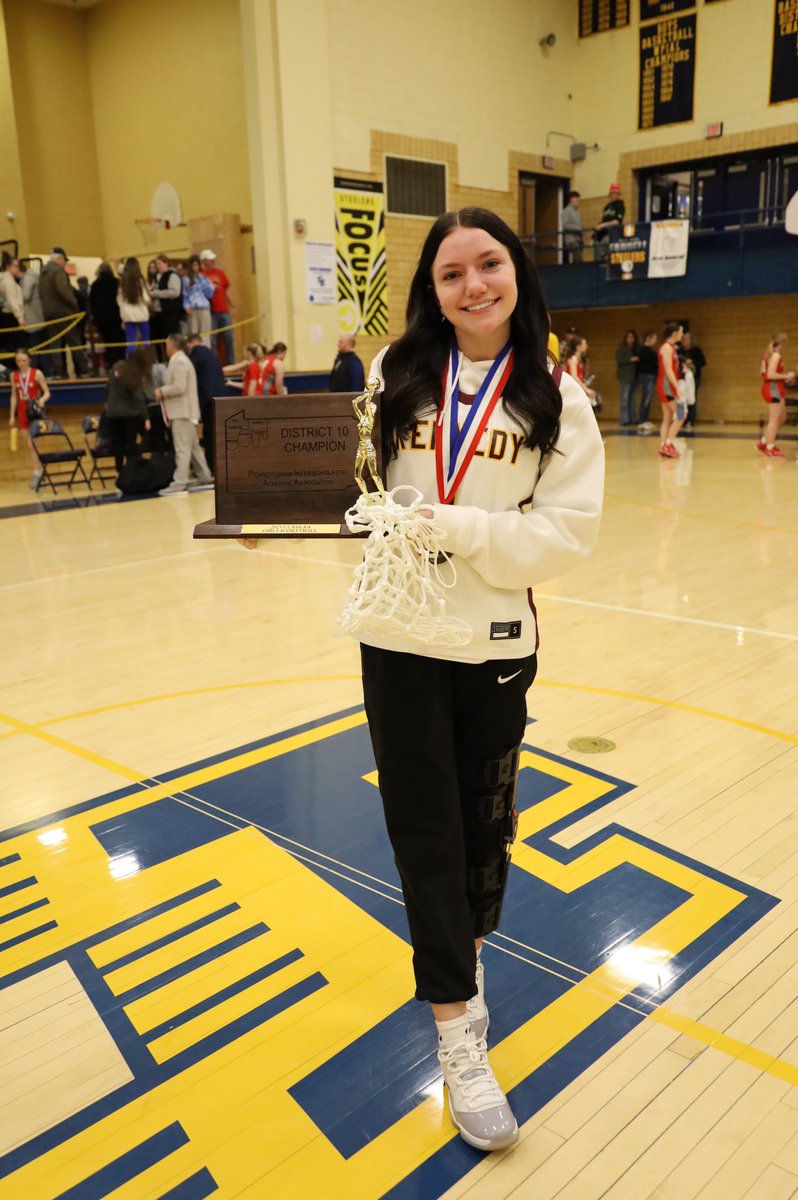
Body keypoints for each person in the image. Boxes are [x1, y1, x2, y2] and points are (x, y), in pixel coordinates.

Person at [240, 208, 604, 1152]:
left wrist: (456, 526)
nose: (473, 285)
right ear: (431, 291)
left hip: (491, 642)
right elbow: (348, 487)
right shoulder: (395, 377)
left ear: (517, 274)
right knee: (425, 830)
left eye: (489, 264)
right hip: (398, 636)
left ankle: (462, 968)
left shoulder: (559, 399)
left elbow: (565, 536)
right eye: (452, 273)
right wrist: (274, 513)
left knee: (484, 830)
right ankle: (459, 1032)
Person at [155, 332, 214, 494]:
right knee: (193, 446)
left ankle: (179, 483)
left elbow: (180, 386)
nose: (166, 348)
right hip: (187, 411)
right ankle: (205, 476)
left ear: (172, 346)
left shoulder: (178, 361)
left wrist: (162, 391)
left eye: (167, 345)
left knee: (182, 448)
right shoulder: (182, 360)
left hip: (182, 412)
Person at [37, 248, 90, 377]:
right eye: (64, 261)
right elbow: (63, 291)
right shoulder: (58, 271)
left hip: (49, 313)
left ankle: (59, 372)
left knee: (55, 345)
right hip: (64, 312)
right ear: (59, 259)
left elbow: (41, 293)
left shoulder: (42, 273)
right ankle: (84, 370)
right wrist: (74, 304)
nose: (64, 263)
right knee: (74, 342)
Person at [105, 346, 152, 475]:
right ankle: (131, 471)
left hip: (113, 412)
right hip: (129, 413)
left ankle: (118, 470)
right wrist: (146, 417)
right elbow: (139, 397)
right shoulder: (134, 372)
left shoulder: (117, 366)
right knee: (131, 442)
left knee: (118, 443)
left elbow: (107, 386)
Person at [8, 346, 51, 488]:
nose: (21, 363)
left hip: (34, 412)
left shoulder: (37, 373)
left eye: (23, 360)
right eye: (18, 361)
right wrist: (11, 416)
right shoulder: (14, 375)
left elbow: (47, 392)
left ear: (29, 360)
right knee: (28, 445)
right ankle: (38, 471)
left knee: (34, 444)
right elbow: (14, 395)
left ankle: (38, 472)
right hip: (21, 412)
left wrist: (42, 400)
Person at [187, 332, 226, 473]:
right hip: (221, 397)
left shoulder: (197, 353)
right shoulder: (211, 353)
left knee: (209, 434)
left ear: (192, 342)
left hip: (208, 398)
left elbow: (189, 373)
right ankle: (218, 466)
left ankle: (210, 467)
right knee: (217, 434)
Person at [757, 332, 795, 459]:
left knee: (782, 417)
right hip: (773, 388)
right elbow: (770, 374)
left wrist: (783, 377)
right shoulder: (776, 355)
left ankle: (764, 441)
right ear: (782, 342)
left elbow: (765, 372)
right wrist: (786, 376)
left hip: (774, 386)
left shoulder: (768, 353)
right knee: (774, 420)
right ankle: (770, 447)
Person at [200, 249, 235, 365]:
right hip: (211, 312)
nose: (213, 261)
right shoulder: (202, 276)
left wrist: (232, 305)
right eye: (210, 260)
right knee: (212, 340)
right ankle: (215, 364)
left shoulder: (220, 273)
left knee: (228, 338)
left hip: (223, 311)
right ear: (204, 261)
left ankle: (231, 363)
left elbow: (226, 290)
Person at [89, 262, 126, 370]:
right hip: (116, 317)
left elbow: (92, 302)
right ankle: (120, 362)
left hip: (102, 319)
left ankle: (109, 362)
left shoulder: (95, 285)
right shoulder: (117, 282)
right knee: (118, 341)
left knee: (107, 341)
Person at [657, 320, 685, 458]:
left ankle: (663, 446)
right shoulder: (667, 348)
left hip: (666, 386)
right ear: (675, 333)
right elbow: (668, 370)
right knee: (682, 414)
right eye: (681, 332)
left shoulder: (671, 347)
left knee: (667, 417)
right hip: (667, 387)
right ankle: (669, 443)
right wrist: (677, 387)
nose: (683, 334)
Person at [149, 253, 184, 355]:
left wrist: (156, 293)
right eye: (156, 264)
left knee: (172, 339)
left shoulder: (173, 275)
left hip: (171, 314)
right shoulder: (158, 278)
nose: (157, 266)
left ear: (166, 263)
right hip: (161, 314)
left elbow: (174, 292)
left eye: (159, 264)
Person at [117, 257, 151, 353]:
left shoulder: (122, 283)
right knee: (146, 341)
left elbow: (119, 301)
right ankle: (147, 363)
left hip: (128, 315)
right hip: (142, 315)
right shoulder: (141, 281)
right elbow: (146, 299)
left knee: (131, 342)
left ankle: (130, 364)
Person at [183, 254, 215, 345]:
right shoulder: (186, 279)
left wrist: (206, 283)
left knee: (205, 334)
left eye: (197, 265)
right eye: (193, 265)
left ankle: (206, 351)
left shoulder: (204, 278)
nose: (195, 268)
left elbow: (210, 294)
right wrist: (186, 306)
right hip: (193, 309)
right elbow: (185, 295)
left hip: (204, 308)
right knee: (194, 333)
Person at [679, 331, 706, 430]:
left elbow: (703, 362)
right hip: (681, 378)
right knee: (681, 399)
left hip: (694, 378)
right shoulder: (679, 351)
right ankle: (681, 419)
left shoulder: (696, 350)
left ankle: (690, 420)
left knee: (692, 398)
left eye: (686, 339)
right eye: (683, 339)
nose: (684, 341)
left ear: (691, 340)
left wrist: (692, 362)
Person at [593, 184, 625, 261]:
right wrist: (599, 225)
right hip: (602, 234)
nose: (614, 195)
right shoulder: (607, 207)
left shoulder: (620, 205)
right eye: (613, 193)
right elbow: (604, 220)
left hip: (611, 234)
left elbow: (617, 221)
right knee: (597, 255)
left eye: (616, 193)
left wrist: (603, 225)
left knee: (608, 257)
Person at [615, 329, 639, 426]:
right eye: (628, 337)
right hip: (625, 377)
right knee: (624, 398)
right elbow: (619, 360)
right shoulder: (622, 348)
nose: (630, 339)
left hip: (635, 377)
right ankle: (624, 419)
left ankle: (632, 418)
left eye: (632, 337)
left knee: (633, 399)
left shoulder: (636, 349)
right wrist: (630, 359)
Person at [636, 331, 658, 433]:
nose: (656, 341)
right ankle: (642, 420)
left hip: (651, 375)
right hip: (647, 376)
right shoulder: (644, 350)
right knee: (646, 397)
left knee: (648, 398)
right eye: (654, 338)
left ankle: (645, 419)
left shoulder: (650, 350)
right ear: (648, 338)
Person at [561, 190, 584, 264]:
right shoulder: (566, 211)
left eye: (578, 198)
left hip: (579, 239)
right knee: (578, 258)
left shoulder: (577, 212)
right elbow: (565, 225)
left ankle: (576, 273)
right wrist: (577, 228)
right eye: (576, 198)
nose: (578, 200)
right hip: (571, 239)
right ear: (571, 199)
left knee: (576, 258)